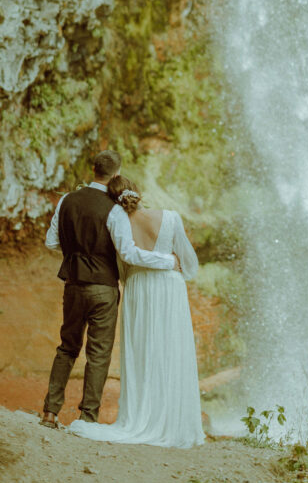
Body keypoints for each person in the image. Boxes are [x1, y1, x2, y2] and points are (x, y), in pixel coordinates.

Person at [41, 150, 180, 428]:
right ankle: (88, 418)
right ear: (116, 174)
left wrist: (76, 252)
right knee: (99, 354)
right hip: (103, 289)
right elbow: (128, 254)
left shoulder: (68, 200)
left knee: (67, 348)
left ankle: (49, 412)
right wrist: (166, 261)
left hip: (73, 286)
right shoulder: (115, 210)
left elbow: (51, 242)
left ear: (94, 169)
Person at [67, 174, 205, 448]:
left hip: (138, 289)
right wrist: (170, 263)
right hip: (169, 289)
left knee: (143, 353)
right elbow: (189, 264)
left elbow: (122, 268)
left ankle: (142, 415)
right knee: (171, 350)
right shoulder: (171, 217)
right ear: (138, 192)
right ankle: (172, 422)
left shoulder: (117, 224)